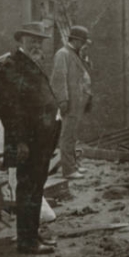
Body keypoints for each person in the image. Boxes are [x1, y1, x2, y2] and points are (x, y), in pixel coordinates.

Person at [0, 22, 61, 254]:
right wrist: (20, 141)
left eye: (39, 41)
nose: (37, 45)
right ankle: (27, 241)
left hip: (39, 140)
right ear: (20, 41)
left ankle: (32, 234)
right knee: (28, 189)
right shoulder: (12, 66)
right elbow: (8, 108)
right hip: (28, 143)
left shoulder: (29, 63)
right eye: (32, 40)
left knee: (35, 189)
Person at [51, 25, 92, 179]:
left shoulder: (74, 54)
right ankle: (68, 170)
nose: (84, 45)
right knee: (67, 136)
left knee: (72, 135)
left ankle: (73, 165)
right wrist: (62, 100)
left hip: (77, 101)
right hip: (70, 102)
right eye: (82, 42)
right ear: (75, 40)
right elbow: (58, 79)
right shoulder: (63, 54)